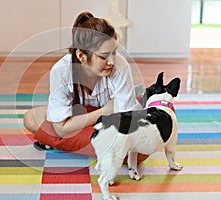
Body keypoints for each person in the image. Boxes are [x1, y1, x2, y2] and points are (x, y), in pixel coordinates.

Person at [24, 12, 147, 162]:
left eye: (114, 53)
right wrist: (104, 111)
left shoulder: (120, 67)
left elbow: (126, 122)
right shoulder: (61, 71)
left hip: (106, 124)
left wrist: (70, 130)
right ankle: (99, 148)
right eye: (103, 56)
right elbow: (60, 128)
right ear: (81, 56)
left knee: (138, 149)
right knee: (31, 119)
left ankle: (59, 143)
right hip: (83, 116)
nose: (112, 61)